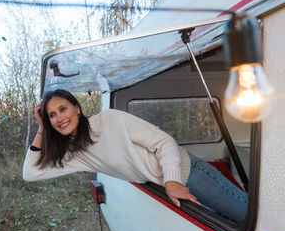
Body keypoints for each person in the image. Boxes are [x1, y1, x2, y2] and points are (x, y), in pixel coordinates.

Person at [23, 89, 247, 223]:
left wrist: (172, 181)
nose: (59, 118)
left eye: (62, 109)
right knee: (226, 223)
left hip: (190, 173)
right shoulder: (75, 155)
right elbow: (30, 174)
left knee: (245, 214)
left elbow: (164, 142)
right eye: (52, 115)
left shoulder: (109, 120)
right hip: (169, 186)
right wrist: (41, 128)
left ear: (77, 108)